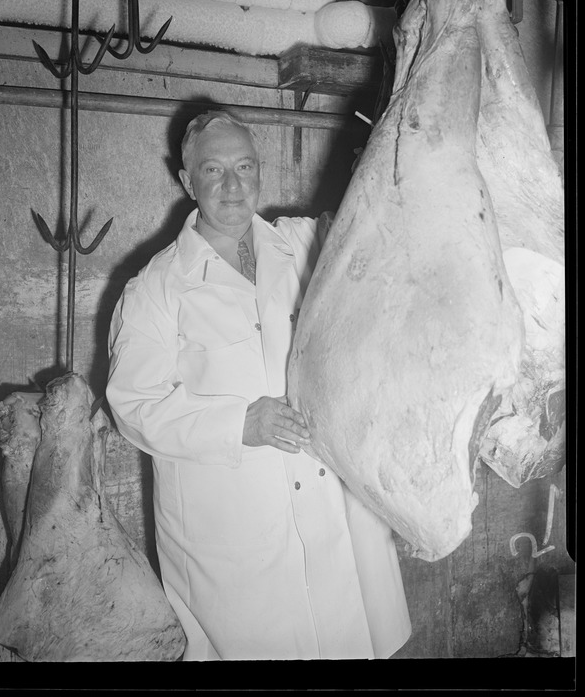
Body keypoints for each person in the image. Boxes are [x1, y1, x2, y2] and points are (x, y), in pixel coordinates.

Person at [106, 110, 411, 661]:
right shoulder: (155, 288)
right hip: (233, 531)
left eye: (244, 167)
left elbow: (378, 232)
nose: (232, 185)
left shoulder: (300, 243)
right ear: (186, 180)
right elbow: (133, 406)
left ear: (260, 172)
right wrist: (241, 425)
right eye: (214, 170)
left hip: (325, 504)